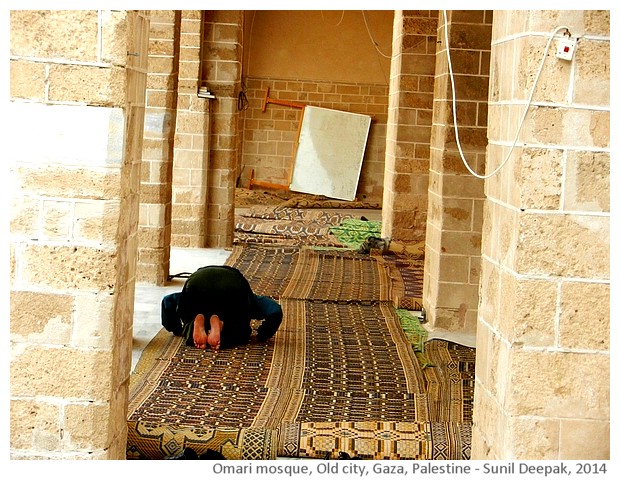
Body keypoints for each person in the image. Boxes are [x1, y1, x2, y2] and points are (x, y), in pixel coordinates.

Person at [161, 265, 282, 350]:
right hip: (233, 287)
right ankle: (221, 325)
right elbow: (275, 310)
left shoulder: (201, 276)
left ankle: (193, 326)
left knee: (188, 317)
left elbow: (167, 302)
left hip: (196, 282)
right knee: (241, 330)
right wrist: (262, 335)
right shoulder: (250, 297)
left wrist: (176, 329)